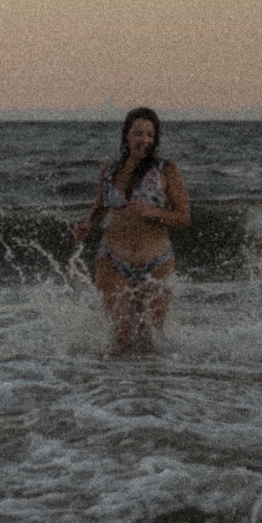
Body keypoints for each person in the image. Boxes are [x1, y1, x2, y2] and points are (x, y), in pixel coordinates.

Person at [73, 107, 190, 353]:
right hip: (112, 259)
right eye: (138, 133)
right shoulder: (109, 170)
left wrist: (152, 212)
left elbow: (183, 217)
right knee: (121, 337)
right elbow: (100, 206)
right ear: (126, 134)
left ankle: (147, 379)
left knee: (152, 339)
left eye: (150, 135)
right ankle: (114, 378)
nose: (144, 140)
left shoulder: (166, 169)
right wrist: (87, 223)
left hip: (156, 261)